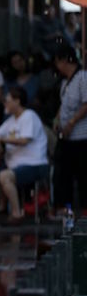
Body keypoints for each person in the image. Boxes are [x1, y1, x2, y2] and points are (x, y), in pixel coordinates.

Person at [0, 87, 49, 223]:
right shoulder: (11, 120)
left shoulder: (29, 116)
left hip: (34, 164)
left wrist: (0, 140)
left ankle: (16, 214)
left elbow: (24, 140)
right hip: (13, 165)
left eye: (7, 100)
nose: (4, 103)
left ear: (17, 101)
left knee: (4, 175)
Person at [52, 45, 87, 211]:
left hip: (81, 136)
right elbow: (63, 104)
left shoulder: (82, 77)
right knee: (63, 173)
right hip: (66, 136)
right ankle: (66, 208)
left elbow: (86, 104)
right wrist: (57, 119)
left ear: (65, 60)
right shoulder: (65, 83)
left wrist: (72, 122)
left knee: (83, 175)